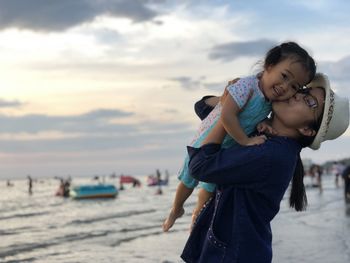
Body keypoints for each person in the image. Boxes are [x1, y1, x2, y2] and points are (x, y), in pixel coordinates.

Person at [180, 73, 349, 262]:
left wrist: (227, 116)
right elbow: (202, 108)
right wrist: (229, 99)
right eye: (304, 91)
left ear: (307, 130)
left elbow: (200, 165)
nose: (297, 95)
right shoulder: (266, 138)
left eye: (310, 101)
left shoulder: (270, 155)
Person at [163, 41, 316, 232]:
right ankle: (177, 209)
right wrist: (245, 140)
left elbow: (259, 118)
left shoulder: (271, 101)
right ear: (269, 65)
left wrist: (266, 124)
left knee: (208, 189)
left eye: (294, 87)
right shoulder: (247, 86)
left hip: (225, 147)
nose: (285, 87)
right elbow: (226, 115)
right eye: (284, 76)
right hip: (207, 141)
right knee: (188, 179)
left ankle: (196, 216)